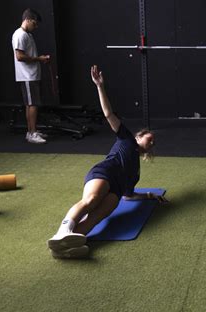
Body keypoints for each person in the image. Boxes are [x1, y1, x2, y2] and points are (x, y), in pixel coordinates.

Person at [47, 65, 167, 259]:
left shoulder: (136, 172)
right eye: (149, 138)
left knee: (97, 217)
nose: (151, 143)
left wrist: (150, 195)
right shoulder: (126, 138)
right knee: (91, 201)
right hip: (105, 173)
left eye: (153, 143)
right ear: (138, 137)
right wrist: (100, 86)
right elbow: (109, 114)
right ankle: (61, 233)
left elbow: (129, 196)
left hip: (117, 190)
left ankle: (66, 247)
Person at [12, 8, 50, 144]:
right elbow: (19, 56)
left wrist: (40, 59)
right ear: (27, 20)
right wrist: (39, 59)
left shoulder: (28, 35)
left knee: (30, 104)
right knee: (32, 104)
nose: (36, 26)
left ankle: (31, 131)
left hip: (31, 75)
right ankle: (32, 133)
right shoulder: (20, 35)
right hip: (27, 76)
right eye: (34, 23)